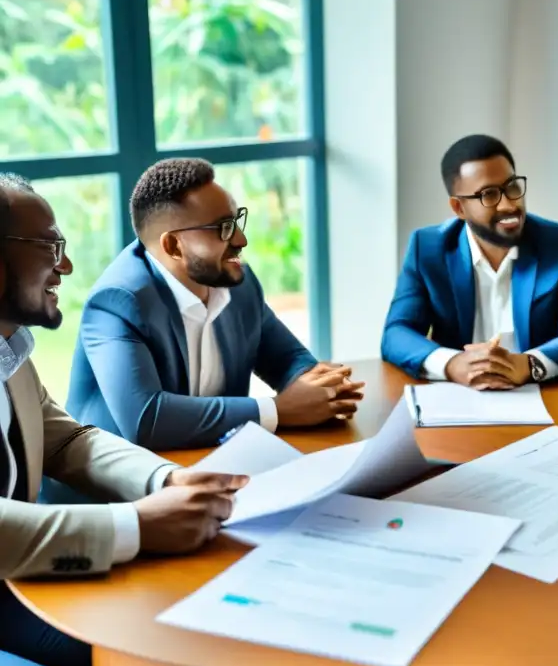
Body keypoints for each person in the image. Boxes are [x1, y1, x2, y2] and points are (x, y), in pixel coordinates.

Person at [0, 173, 248, 666]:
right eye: (50, 248)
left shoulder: (10, 351)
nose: (65, 268)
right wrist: (136, 526)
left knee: (126, 644)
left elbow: (69, 441)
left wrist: (166, 480)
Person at [64, 157, 363, 452]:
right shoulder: (116, 302)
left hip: (208, 464)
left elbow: (287, 359)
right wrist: (277, 410)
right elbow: (147, 420)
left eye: (236, 220)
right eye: (223, 227)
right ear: (173, 246)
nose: (241, 239)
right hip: (112, 489)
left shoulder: (237, 282)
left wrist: (322, 387)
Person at [381, 134, 558, 388]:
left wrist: (528, 364)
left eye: (512, 187)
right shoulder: (428, 248)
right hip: (459, 400)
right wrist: (453, 364)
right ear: (458, 208)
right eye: (489, 195)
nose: (509, 204)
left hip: (540, 395)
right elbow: (396, 334)